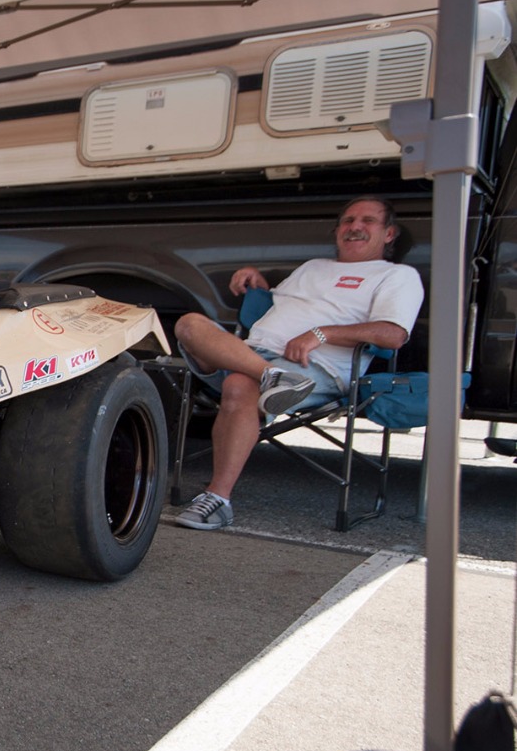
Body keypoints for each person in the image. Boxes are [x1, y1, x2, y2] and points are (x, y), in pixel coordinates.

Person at [172, 197, 425, 530]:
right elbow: (281, 305)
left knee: (238, 386)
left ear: (389, 233)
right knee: (189, 323)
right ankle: (272, 377)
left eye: (368, 221)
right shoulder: (312, 268)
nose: (355, 227)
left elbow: (392, 334)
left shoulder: (397, 276)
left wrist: (321, 334)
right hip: (253, 355)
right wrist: (257, 283)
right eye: (348, 221)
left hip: (317, 368)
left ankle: (218, 499)